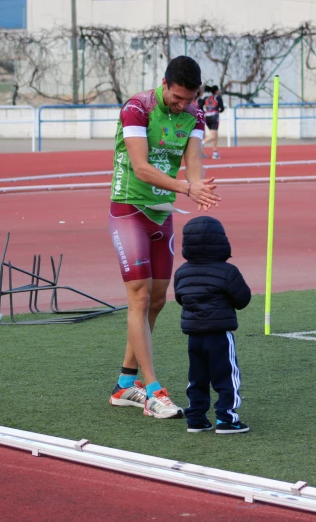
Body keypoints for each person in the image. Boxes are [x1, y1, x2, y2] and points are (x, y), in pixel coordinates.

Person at [108, 56, 221, 419]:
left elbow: (194, 163)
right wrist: (187, 188)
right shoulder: (137, 108)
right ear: (164, 84)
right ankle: (153, 390)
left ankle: (125, 384)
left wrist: (198, 184)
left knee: (156, 301)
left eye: (188, 99)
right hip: (129, 209)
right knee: (139, 296)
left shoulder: (196, 115)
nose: (182, 104)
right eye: (176, 97)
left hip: (162, 214)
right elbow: (141, 167)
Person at [173, 216, 252, 434]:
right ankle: (227, 418)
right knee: (226, 375)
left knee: (197, 377)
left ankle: (196, 418)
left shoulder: (181, 271)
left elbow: (181, 297)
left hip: (194, 335)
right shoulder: (228, 271)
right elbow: (242, 299)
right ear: (221, 241)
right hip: (219, 334)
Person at [201, 85, 225, 160]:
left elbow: (201, 106)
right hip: (214, 116)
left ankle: (215, 153)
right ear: (216, 91)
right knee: (213, 136)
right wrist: (219, 111)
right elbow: (222, 107)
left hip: (207, 117)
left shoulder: (206, 98)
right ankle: (200, 144)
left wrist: (206, 111)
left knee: (214, 134)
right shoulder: (217, 97)